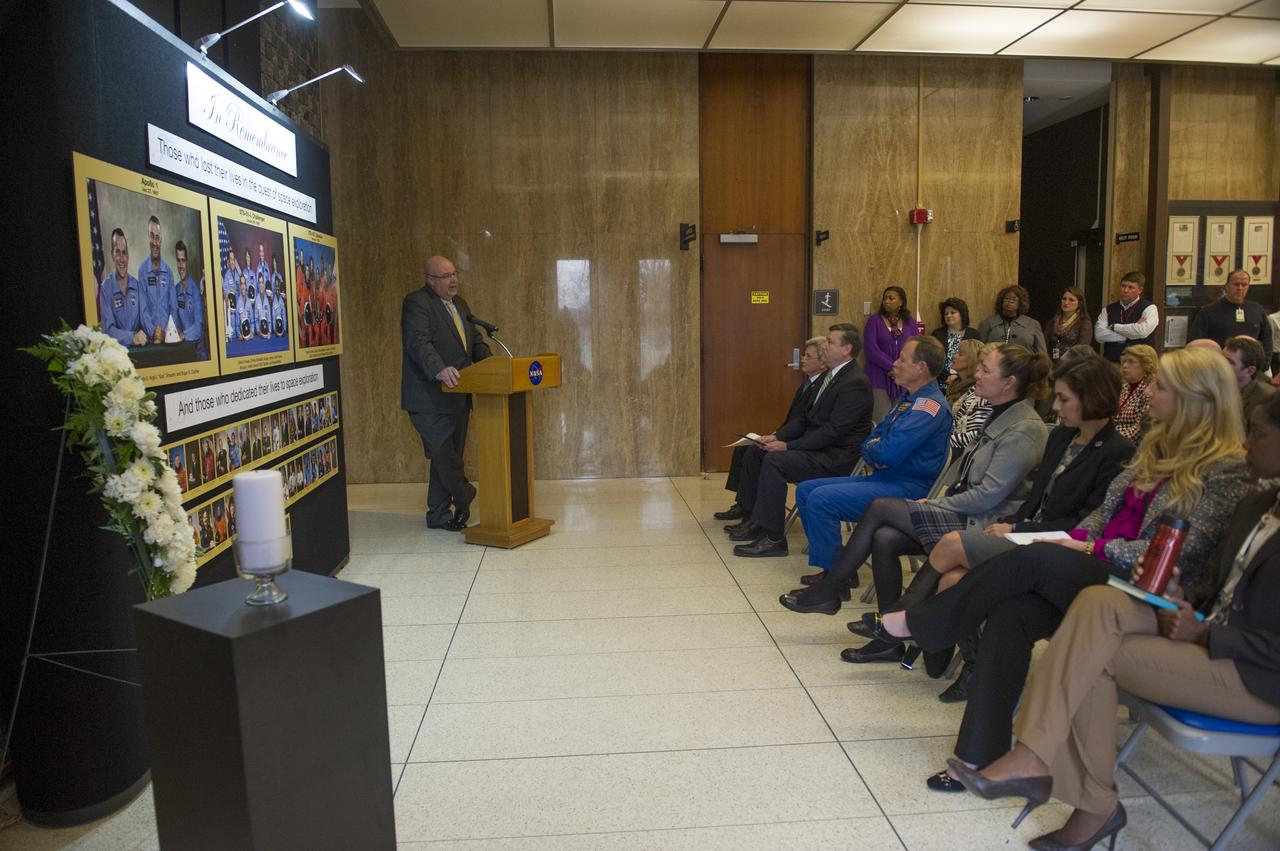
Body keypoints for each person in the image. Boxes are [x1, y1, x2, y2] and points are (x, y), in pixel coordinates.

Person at [870, 347, 1253, 796]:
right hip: (1099, 569)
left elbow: (1179, 554)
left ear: (1196, 399)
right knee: (1013, 612)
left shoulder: (1225, 471)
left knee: (1037, 557)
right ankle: (978, 754)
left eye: (1161, 387)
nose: (1148, 392)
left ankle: (925, 621)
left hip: (1150, 591)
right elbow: (1103, 513)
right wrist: (1078, 539)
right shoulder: (1156, 448)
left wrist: (1086, 545)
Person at [944, 394, 1280, 850]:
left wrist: (1207, 632)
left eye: (1259, 433)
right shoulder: (1259, 504)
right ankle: (1037, 762)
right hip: (1208, 632)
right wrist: (1182, 597)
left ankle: (1080, 795)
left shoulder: (1238, 489)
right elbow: (1222, 590)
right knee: (1099, 605)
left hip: (1258, 676)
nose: (1246, 444)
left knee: (1088, 653)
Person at [779, 344, 1051, 665]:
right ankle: (886, 637)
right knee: (884, 537)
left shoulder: (1023, 428)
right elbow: (873, 441)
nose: (976, 374)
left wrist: (936, 505)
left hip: (980, 523)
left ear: (1010, 382)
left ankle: (833, 589)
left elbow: (987, 497)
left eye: (985, 370)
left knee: (880, 508)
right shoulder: (996, 413)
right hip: (959, 511)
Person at [900, 355, 1134, 710]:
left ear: (1093, 398)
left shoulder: (1117, 452)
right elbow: (1035, 497)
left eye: (1064, 399)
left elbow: (1085, 524)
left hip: (1055, 547)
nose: (1055, 406)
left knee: (949, 545)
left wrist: (1021, 528)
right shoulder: (1061, 438)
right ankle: (971, 666)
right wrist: (1015, 525)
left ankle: (906, 622)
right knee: (951, 581)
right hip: (1023, 533)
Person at [793, 335, 953, 579]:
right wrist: (876, 450)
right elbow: (869, 442)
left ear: (921, 368)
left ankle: (836, 577)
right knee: (805, 490)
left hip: (906, 488)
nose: (895, 363)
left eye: (902, 359)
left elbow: (888, 451)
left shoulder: (928, 407)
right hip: (884, 478)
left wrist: (877, 450)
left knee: (822, 499)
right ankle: (839, 567)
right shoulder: (907, 400)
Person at [729, 324, 874, 557]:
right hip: (819, 449)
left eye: (830, 341)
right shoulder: (831, 377)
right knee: (759, 451)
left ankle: (774, 538)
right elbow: (805, 418)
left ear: (847, 349)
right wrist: (776, 437)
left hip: (835, 458)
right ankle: (758, 520)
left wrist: (788, 446)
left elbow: (832, 432)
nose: (824, 345)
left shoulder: (854, 383)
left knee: (776, 461)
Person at [401, 255, 492, 531]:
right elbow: (418, 343)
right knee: (443, 454)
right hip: (428, 397)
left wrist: (492, 364)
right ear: (430, 280)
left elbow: (474, 342)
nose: (453, 280)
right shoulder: (418, 303)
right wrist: (439, 368)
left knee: (449, 456)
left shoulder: (461, 305)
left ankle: (439, 514)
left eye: (455, 274)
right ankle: (465, 495)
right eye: (446, 276)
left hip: (459, 396)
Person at [714, 337, 827, 522]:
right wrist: (775, 434)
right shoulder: (807, 383)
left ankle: (750, 510)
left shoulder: (820, 386)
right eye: (804, 355)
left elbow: (804, 423)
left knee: (754, 452)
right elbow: (795, 420)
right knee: (744, 448)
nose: (803, 359)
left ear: (823, 363)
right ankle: (743, 503)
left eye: (808, 356)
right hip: (790, 436)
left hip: (802, 443)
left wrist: (778, 437)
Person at [1189, 268, 1273, 356]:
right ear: (1227, 286)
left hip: (1251, 367)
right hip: (1221, 365)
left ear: (1248, 287)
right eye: (1236, 284)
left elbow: (1267, 340)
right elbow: (1195, 343)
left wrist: (1264, 364)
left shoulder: (1257, 310)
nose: (1240, 288)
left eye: (1244, 284)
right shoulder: (1208, 312)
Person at [863, 286, 919, 421]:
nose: (886, 301)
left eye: (891, 298)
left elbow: (917, 346)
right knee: (880, 419)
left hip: (903, 377)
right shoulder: (874, 321)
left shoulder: (909, 322)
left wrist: (900, 370)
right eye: (885, 298)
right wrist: (893, 367)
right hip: (879, 377)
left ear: (901, 302)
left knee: (900, 420)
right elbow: (871, 350)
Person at [98, 228, 147, 347]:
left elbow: (145, 321)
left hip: (140, 352)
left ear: (128, 256)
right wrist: (132, 338)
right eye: (117, 252)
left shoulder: (137, 286)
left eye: (124, 252)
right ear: (112, 255)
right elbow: (107, 331)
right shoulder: (106, 288)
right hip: (116, 355)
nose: (122, 258)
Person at [1094, 271, 1158, 362]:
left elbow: (1143, 332)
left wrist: (1114, 327)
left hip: (1140, 364)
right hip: (1112, 362)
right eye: (1123, 286)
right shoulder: (1108, 309)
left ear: (1140, 290)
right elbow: (1099, 335)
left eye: (1131, 287)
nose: (1125, 290)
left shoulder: (1149, 308)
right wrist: (1132, 333)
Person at [947, 340, 996, 454]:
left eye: (984, 366)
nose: (955, 356)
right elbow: (954, 422)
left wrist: (938, 441)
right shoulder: (967, 388)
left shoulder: (985, 395)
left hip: (963, 453)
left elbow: (976, 436)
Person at [137, 215, 175, 343]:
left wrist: (166, 332)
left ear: (161, 240)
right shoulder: (142, 271)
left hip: (168, 337)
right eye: (152, 236)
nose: (154, 242)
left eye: (157, 237)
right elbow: (142, 310)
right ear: (148, 238)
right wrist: (154, 332)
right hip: (149, 340)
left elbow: (173, 307)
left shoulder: (169, 272)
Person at [1224, 335, 1276, 429]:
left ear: (1249, 371)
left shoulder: (1267, 401)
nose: (1220, 364)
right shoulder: (1218, 387)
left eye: (1229, 362)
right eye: (1221, 358)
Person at [978, 286, 1046, 354]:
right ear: (1001, 301)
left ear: (1021, 303)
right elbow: (979, 350)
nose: (1009, 301)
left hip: (1025, 364)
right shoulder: (987, 323)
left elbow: (1042, 354)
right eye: (1007, 298)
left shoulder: (1032, 324)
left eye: (1014, 299)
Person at [931, 297, 980, 388]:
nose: (948, 316)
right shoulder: (937, 334)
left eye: (953, 312)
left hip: (967, 383)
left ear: (962, 314)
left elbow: (976, 360)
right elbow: (932, 360)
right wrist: (947, 377)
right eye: (946, 313)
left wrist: (958, 377)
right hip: (940, 383)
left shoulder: (974, 334)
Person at [1113, 344, 1156, 442]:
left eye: (1131, 362)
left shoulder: (1150, 392)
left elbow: (1139, 431)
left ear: (1146, 366)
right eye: (1124, 361)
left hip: (1131, 444)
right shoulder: (1124, 388)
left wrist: (1109, 441)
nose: (1124, 366)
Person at [171, 240, 206, 359]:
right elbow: (174, 320)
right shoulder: (175, 291)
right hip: (182, 352)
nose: (181, 265)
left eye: (183, 260)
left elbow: (198, 327)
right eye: (178, 260)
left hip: (197, 354)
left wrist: (183, 335)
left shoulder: (195, 291)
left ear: (187, 262)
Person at [1043, 286, 1092, 365]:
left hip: (1074, 366)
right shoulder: (1052, 322)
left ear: (1079, 303)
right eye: (1064, 299)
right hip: (1052, 365)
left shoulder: (1084, 323)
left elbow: (1082, 347)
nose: (1066, 303)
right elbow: (1044, 346)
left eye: (1071, 300)